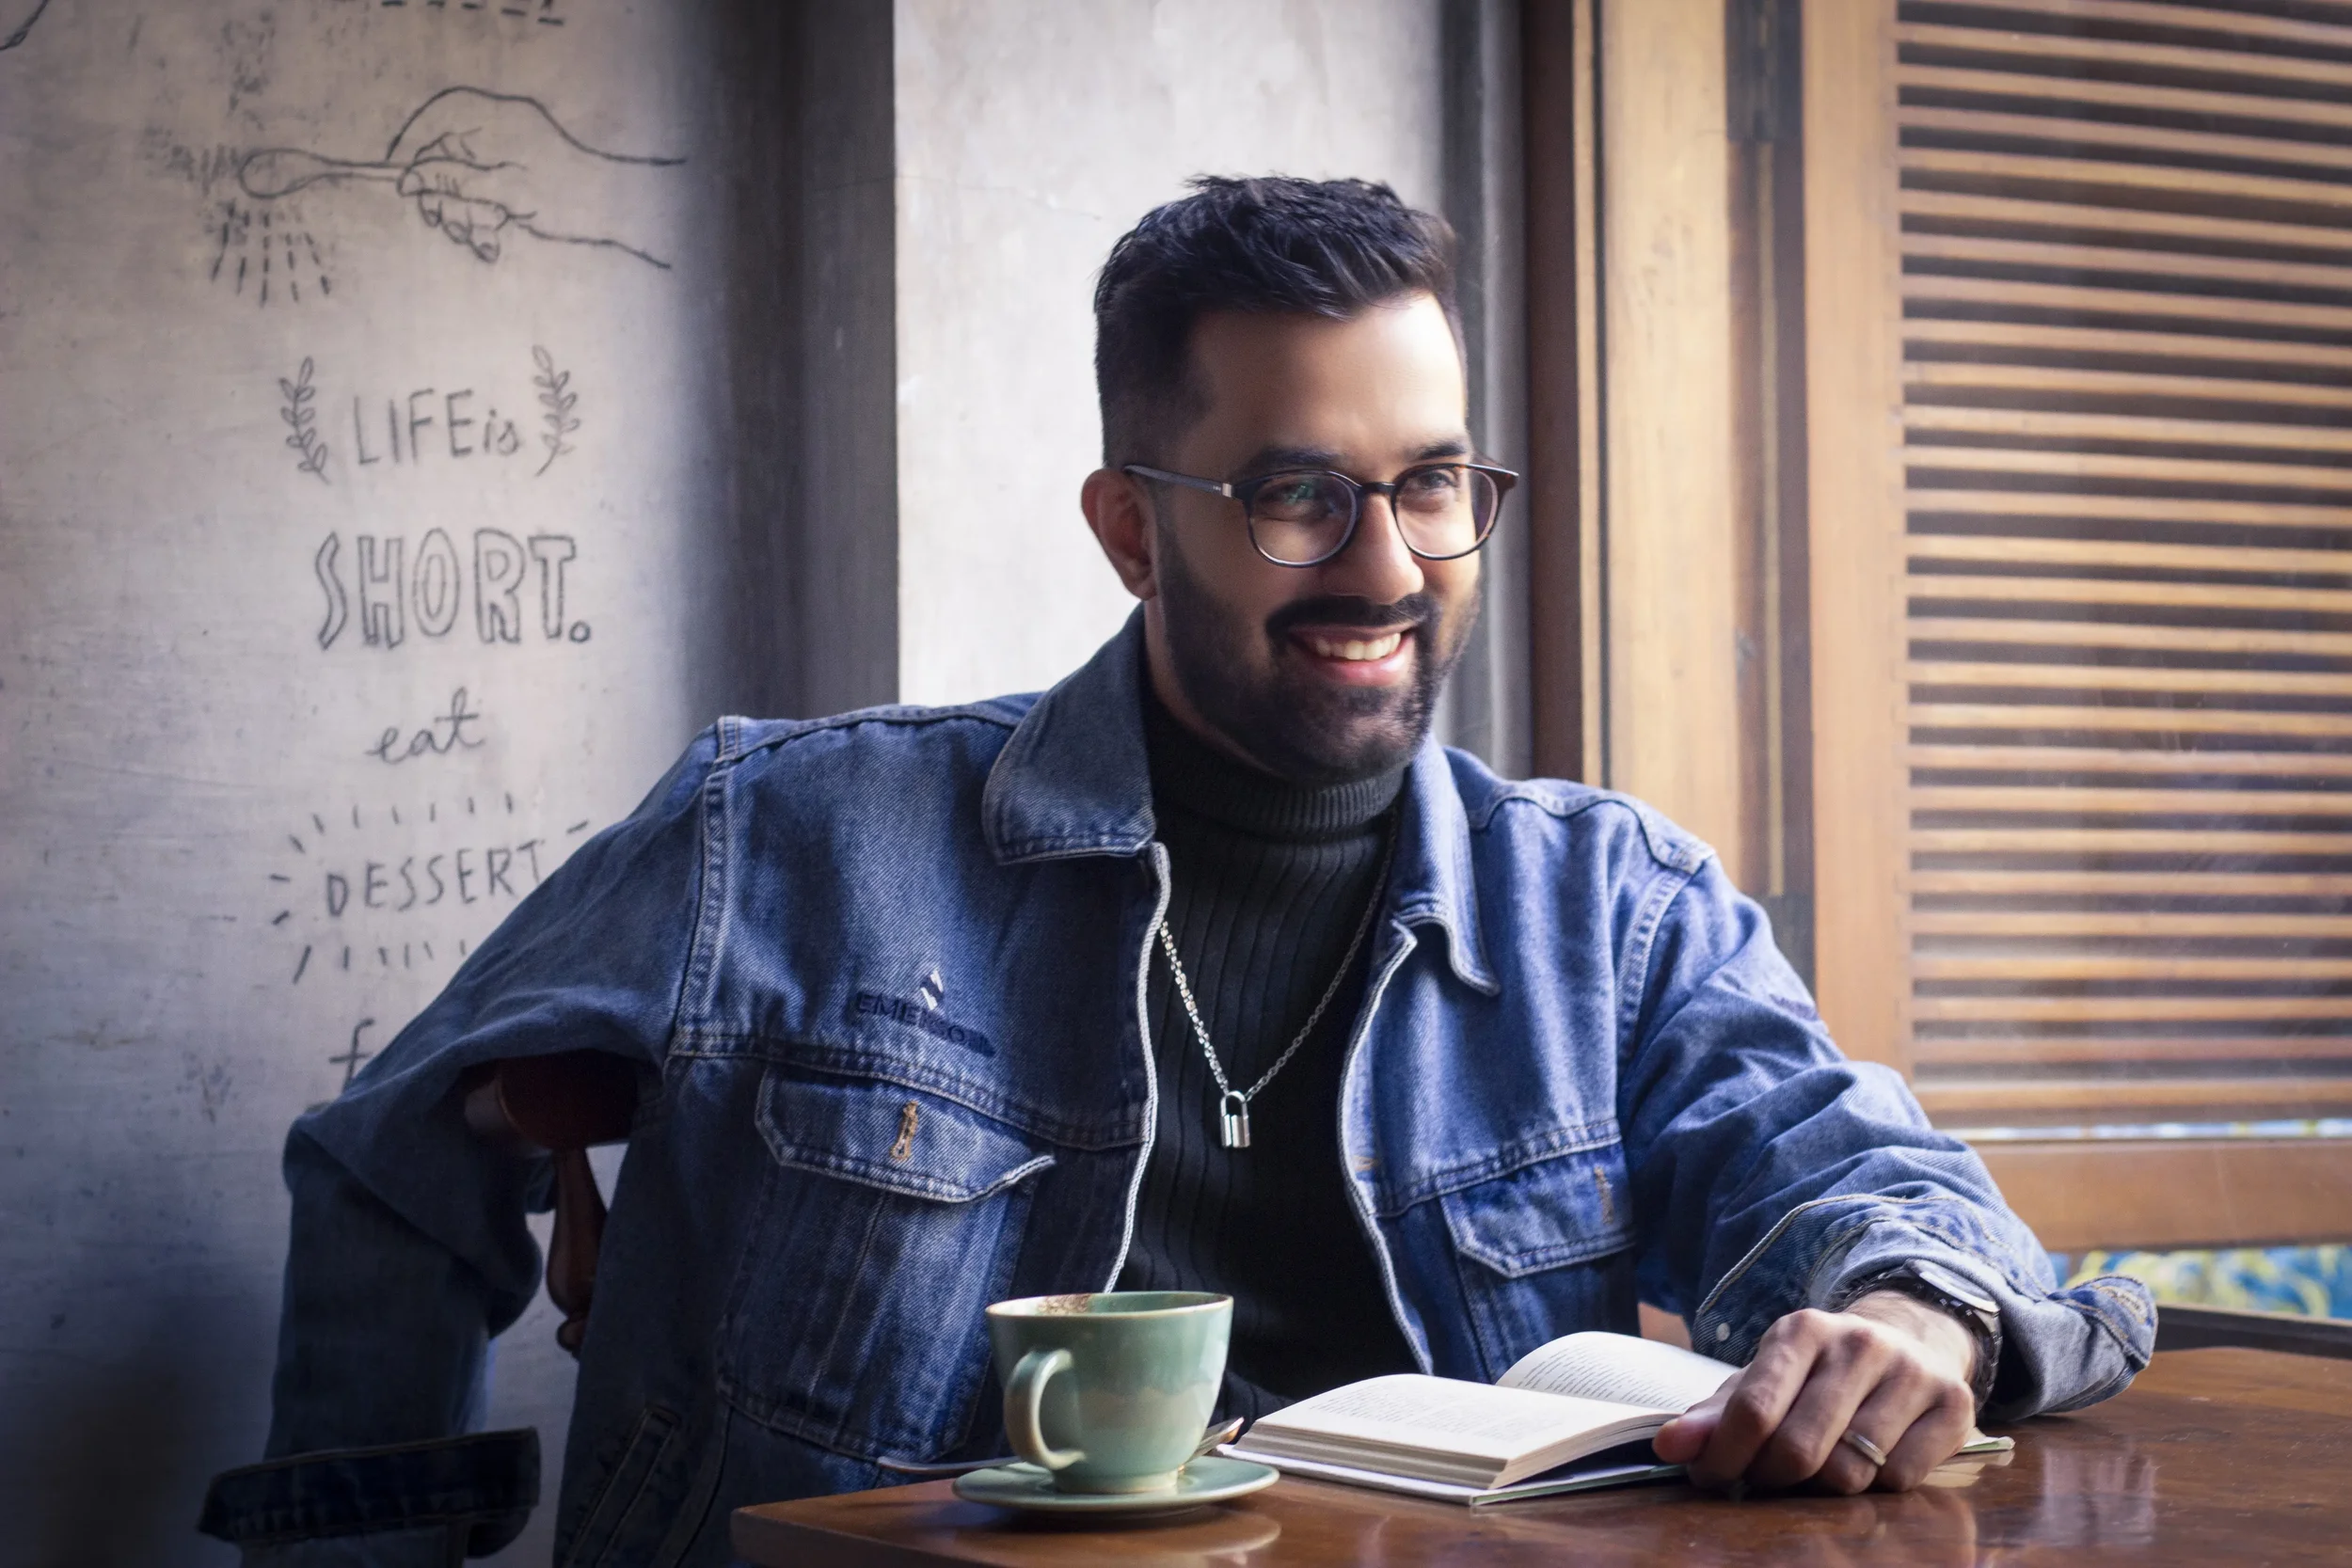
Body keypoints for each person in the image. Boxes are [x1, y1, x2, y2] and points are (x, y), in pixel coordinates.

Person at [201, 176, 2153, 1565]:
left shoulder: (1609, 908)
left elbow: (1876, 1179)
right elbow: (388, 1153)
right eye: (1297, 493)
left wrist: (1918, 1311)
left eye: (1430, 484)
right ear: (1132, 527)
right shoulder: (784, 832)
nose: (1388, 562)